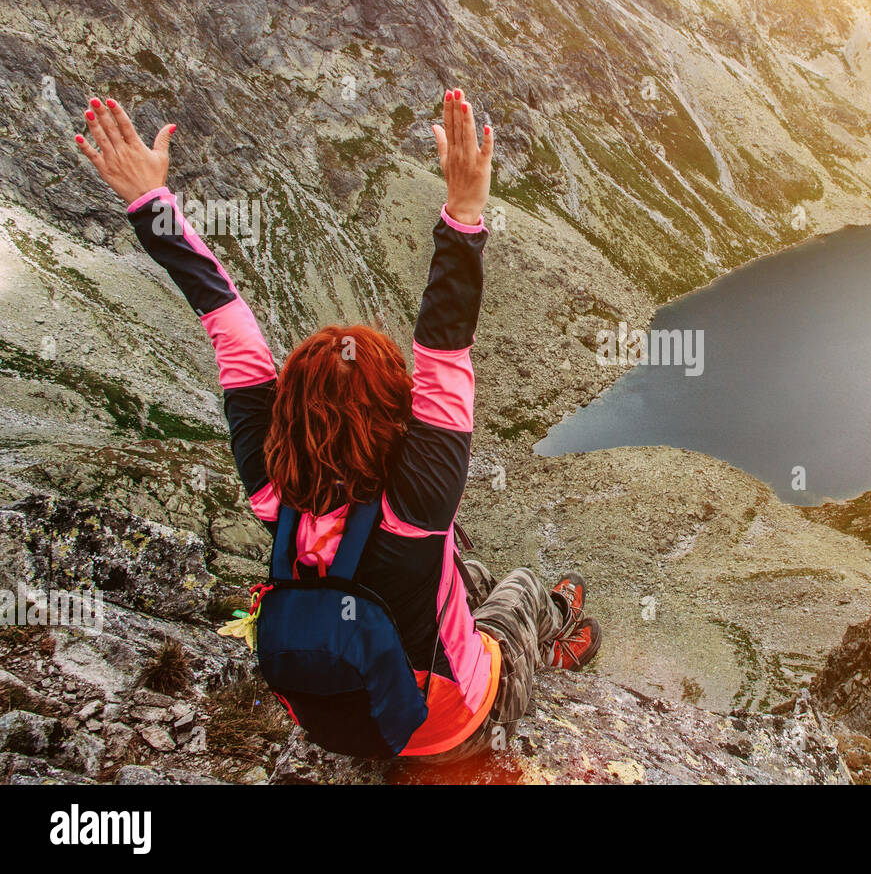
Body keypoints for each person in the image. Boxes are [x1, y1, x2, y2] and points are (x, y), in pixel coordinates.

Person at [71, 90, 600, 760]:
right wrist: (465, 211)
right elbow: (443, 349)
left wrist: (151, 202)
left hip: (349, 725)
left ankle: (492, 613)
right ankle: (555, 639)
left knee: (463, 566)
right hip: (452, 725)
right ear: (396, 412)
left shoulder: (273, 489)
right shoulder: (419, 504)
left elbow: (227, 325)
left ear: (285, 412)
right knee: (519, 587)